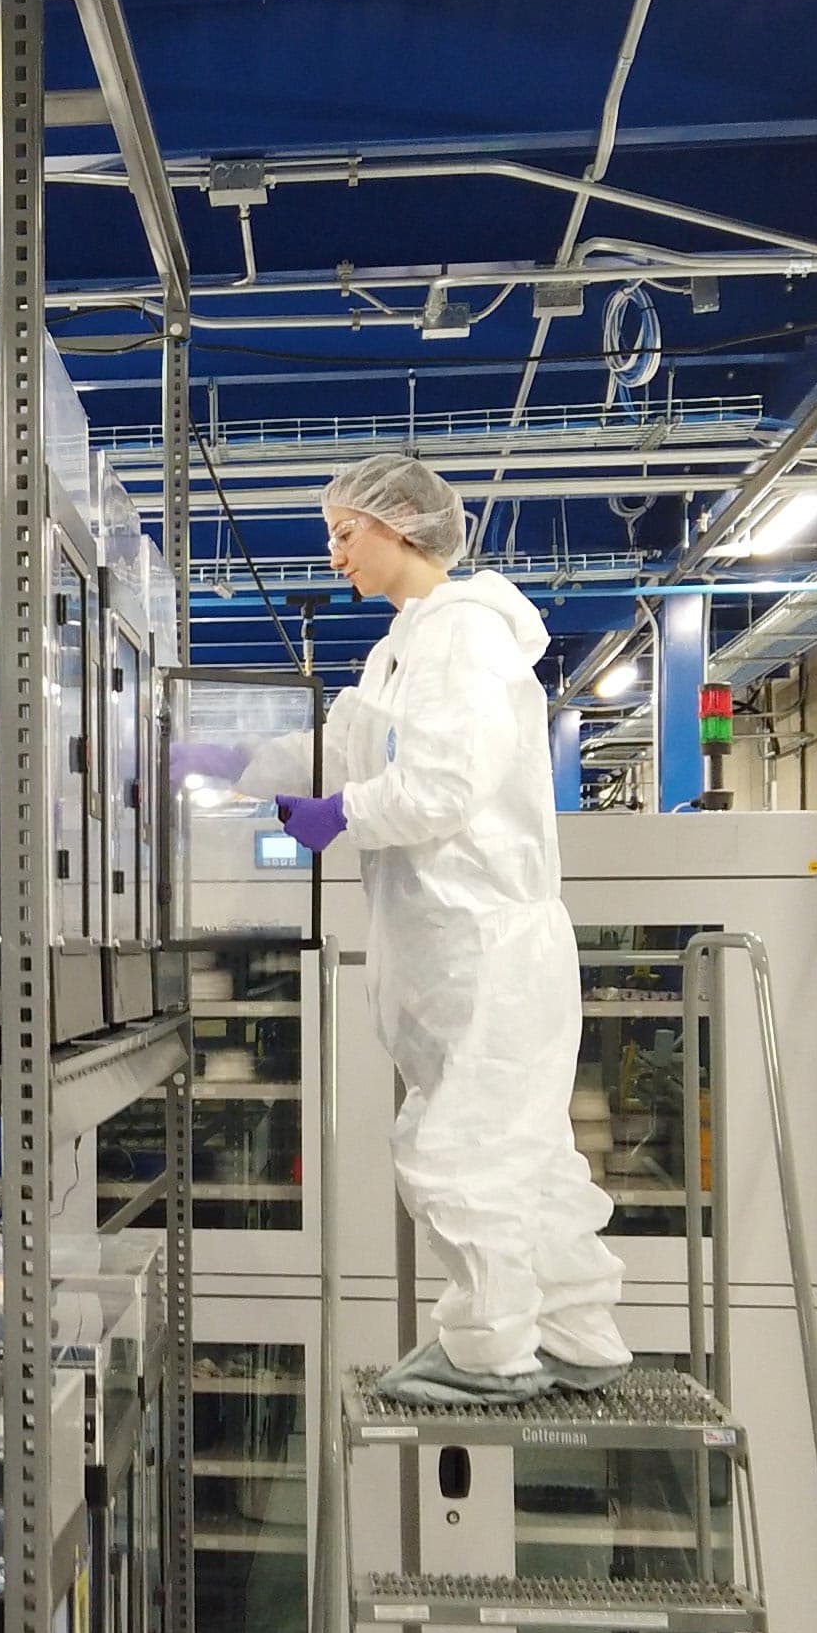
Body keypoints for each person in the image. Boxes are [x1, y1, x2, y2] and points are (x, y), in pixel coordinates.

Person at [181, 455, 630, 1407]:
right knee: (525, 1152)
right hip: (452, 950)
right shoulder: (406, 648)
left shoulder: (464, 641)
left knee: (461, 1152)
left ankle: (490, 1351)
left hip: (486, 950)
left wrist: (340, 815)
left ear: (402, 528)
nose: (333, 553)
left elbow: (440, 786)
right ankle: (578, 1332)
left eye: (345, 532)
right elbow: (348, 744)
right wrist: (229, 755)